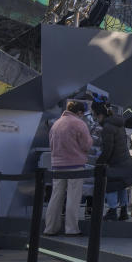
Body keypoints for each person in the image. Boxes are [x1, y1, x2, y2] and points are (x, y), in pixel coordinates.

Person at [43, 100, 93, 236]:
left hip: (57, 166)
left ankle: (50, 228)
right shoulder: (79, 123)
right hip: (75, 165)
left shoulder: (56, 124)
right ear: (80, 112)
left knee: (56, 196)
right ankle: (71, 229)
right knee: (73, 197)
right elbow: (86, 145)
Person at [95, 105, 132, 221]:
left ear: (101, 115)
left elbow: (108, 148)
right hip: (123, 160)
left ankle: (112, 210)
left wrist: (100, 162)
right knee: (121, 185)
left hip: (114, 162)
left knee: (111, 186)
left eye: (96, 116)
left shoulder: (107, 127)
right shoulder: (119, 124)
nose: (96, 119)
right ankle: (123, 211)